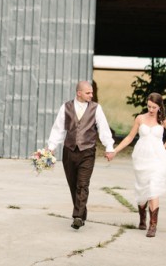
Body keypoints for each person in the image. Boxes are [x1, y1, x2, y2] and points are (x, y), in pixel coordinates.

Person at [107, 92, 166, 237]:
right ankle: (142, 217)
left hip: (157, 159)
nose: (151, 110)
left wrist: (163, 147)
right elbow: (130, 137)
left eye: (154, 107)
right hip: (141, 157)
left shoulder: (164, 121)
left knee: (153, 187)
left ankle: (153, 226)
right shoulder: (140, 118)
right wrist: (115, 151)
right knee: (142, 189)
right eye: (149, 106)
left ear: (159, 107)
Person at [47, 81, 115, 230]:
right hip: (69, 151)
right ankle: (82, 213)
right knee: (73, 185)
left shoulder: (96, 108)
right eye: (88, 93)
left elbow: (103, 129)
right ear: (79, 93)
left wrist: (109, 147)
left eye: (91, 92)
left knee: (82, 184)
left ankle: (77, 216)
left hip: (87, 151)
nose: (91, 95)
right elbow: (58, 129)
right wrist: (51, 147)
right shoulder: (66, 107)